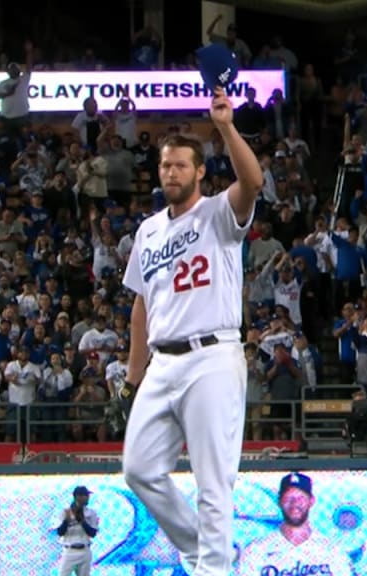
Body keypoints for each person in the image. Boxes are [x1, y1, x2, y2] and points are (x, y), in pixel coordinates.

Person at [120, 86, 263, 574]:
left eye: (181, 165)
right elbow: (142, 306)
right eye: (165, 165)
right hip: (163, 361)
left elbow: (254, 180)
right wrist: (133, 379)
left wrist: (225, 126)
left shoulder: (218, 212)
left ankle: (212, 569)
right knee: (139, 470)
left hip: (212, 356)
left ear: (200, 171)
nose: (171, 172)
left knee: (213, 480)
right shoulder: (148, 230)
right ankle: (202, 548)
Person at [236, 472, 354, 576]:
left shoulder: (332, 551)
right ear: (279, 501)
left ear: (311, 501)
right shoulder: (256, 551)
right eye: (288, 498)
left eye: (301, 498)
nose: (295, 504)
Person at [55, 486, 100, 576]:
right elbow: (60, 532)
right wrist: (66, 521)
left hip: (85, 550)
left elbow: (92, 533)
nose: (87, 498)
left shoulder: (91, 513)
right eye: (85, 496)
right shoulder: (65, 512)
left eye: (87, 495)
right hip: (69, 550)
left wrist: (82, 520)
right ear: (77, 497)